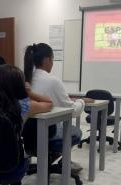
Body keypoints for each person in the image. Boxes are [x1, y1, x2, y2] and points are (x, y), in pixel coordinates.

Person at [23, 43, 94, 173]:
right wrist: (81, 101)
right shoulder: (52, 81)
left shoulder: (25, 80)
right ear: (47, 60)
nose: (52, 63)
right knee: (75, 132)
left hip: (27, 137)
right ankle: (60, 160)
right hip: (47, 135)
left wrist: (68, 100)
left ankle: (50, 161)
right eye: (52, 59)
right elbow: (72, 110)